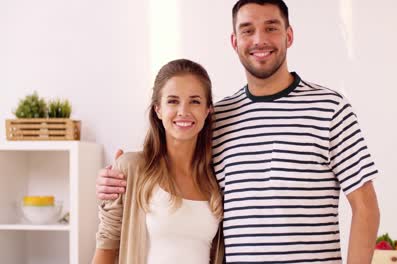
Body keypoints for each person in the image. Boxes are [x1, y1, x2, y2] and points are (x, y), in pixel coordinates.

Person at [96, 1, 380, 263]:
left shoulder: (329, 109)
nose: (259, 40)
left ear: (289, 36)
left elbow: (366, 209)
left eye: (271, 28)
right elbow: (176, 170)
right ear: (234, 42)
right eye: (248, 30)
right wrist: (119, 177)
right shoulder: (219, 118)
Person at [92, 59, 224, 264]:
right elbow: (105, 250)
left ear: (208, 110)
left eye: (195, 101)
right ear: (158, 109)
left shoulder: (215, 179)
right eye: (173, 101)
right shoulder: (130, 169)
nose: (184, 111)